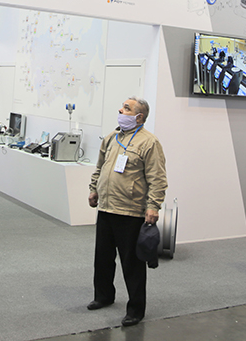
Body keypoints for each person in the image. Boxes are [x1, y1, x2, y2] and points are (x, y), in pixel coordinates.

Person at [87, 97, 167, 328]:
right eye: (122, 107)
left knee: (132, 263)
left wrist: (153, 206)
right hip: (106, 207)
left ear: (139, 117)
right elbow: (100, 167)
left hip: (130, 211)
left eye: (126, 108)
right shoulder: (112, 137)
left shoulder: (149, 142)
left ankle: (135, 309)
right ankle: (103, 296)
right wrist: (93, 189)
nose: (120, 110)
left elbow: (157, 178)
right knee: (102, 258)